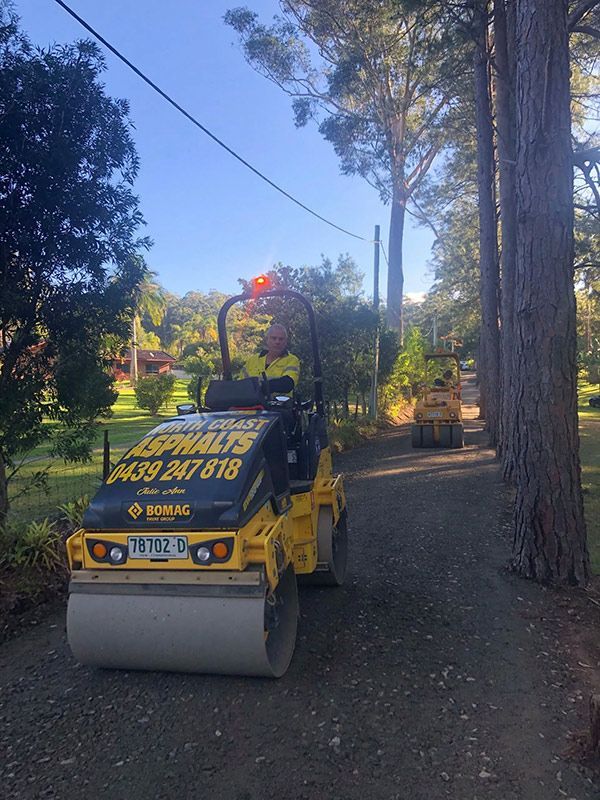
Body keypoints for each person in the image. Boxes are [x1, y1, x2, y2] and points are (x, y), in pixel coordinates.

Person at [240, 324, 300, 396]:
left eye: (281, 339)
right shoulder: (252, 360)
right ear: (267, 340)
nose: (277, 342)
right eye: (274, 338)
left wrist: (261, 387)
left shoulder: (292, 360)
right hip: (253, 404)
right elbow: (241, 385)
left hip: (279, 405)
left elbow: (287, 384)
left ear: (286, 342)